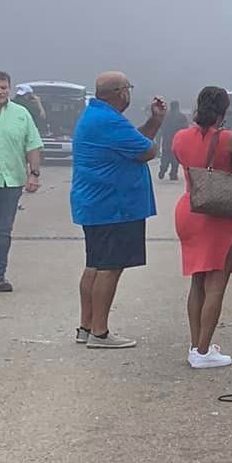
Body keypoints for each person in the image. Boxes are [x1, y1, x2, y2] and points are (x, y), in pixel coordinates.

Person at [172, 87, 232, 369]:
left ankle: (195, 346)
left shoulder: (180, 137)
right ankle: (204, 352)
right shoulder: (227, 139)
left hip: (190, 209)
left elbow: (186, 160)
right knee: (216, 285)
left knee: (197, 282)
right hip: (219, 216)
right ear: (224, 112)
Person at [71, 71, 167, 348]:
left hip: (97, 204)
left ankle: (86, 326)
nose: (129, 93)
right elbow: (147, 151)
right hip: (113, 206)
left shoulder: (98, 116)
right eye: (128, 88)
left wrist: (155, 120)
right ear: (119, 92)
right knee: (110, 268)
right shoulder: (109, 121)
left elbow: (134, 143)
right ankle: (100, 332)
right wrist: (153, 133)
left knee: (95, 264)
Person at [0, 71, 44, 293]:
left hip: (11, 181)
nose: (0, 91)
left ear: (9, 89)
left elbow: (33, 145)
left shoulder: (22, 114)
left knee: (3, 231)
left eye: (3, 88)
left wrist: (33, 173)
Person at [157, 99, 189, 181]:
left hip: (166, 139)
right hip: (177, 140)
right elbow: (185, 128)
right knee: (175, 158)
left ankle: (162, 170)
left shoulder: (165, 116)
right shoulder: (182, 116)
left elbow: (161, 127)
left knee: (165, 156)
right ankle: (173, 174)